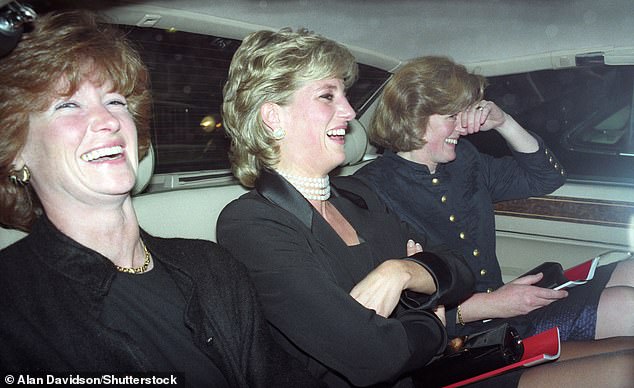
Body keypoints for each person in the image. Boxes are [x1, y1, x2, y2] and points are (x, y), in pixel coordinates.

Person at [217, 30, 634, 388]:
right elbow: (370, 353)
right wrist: (434, 307)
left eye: (344, 95)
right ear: (273, 118)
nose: (348, 111)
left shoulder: (356, 199)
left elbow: (458, 270)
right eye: (329, 96)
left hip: (437, 354)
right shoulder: (252, 222)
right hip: (434, 365)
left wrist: (402, 272)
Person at [0, 10, 323, 388]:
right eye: (67, 105)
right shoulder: (11, 304)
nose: (107, 120)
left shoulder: (214, 268)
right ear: (16, 150)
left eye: (116, 102)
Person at [354, 56, 634, 342]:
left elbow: (547, 177)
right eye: (453, 117)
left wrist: (505, 123)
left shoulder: (465, 160)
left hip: (504, 309)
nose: (463, 127)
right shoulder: (372, 190)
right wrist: (492, 304)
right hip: (462, 335)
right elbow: (392, 308)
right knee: (627, 307)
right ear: (413, 115)